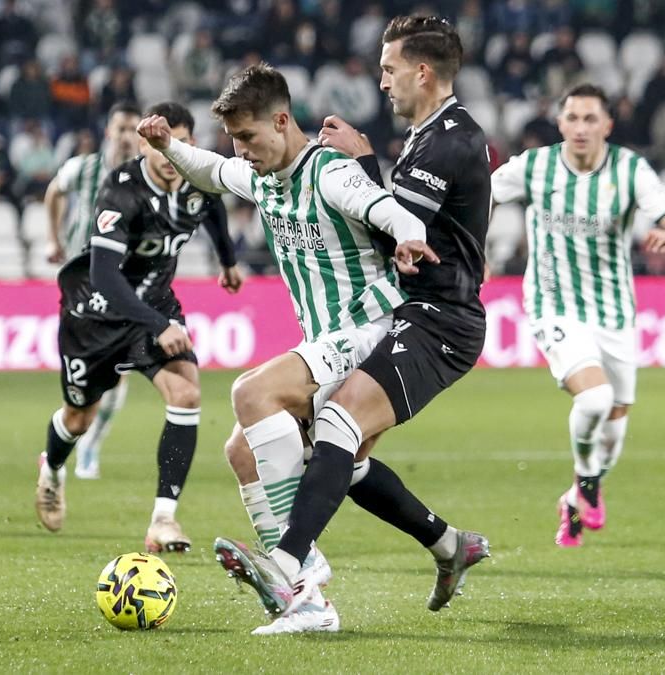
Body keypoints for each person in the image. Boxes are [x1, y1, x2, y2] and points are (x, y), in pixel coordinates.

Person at [139, 62, 451, 635]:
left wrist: (410, 237)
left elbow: (385, 208)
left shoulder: (329, 172)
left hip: (369, 331)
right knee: (242, 452)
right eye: (234, 138)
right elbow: (210, 170)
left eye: (249, 136)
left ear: (282, 121)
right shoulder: (260, 176)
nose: (241, 149)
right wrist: (168, 146)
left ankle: (298, 572)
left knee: (250, 393)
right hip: (325, 340)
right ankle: (312, 591)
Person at [203, 15, 494, 625]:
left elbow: (393, 227)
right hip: (414, 311)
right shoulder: (427, 135)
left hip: (439, 319)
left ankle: (290, 567)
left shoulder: (448, 141)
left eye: (389, 69)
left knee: (336, 425)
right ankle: (449, 545)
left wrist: (360, 164)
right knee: (337, 453)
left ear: (422, 72)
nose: (382, 81)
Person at [491, 83, 665, 547]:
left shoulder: (630, 170)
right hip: (553, 305)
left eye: (590, 119)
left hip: (614, 311)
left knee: (615, 427)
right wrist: (473, 250)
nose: (580, 127)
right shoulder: (534, 167)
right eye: (572, 118)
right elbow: (477, 198)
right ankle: (586, 480)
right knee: (595, 400)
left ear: (607, 125)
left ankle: (575, 497)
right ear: (560, 123)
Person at [34, 102, 243, 555]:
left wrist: (227, 260)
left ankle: (163, 519)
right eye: (163, 144)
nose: (171, 155)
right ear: (146, 144)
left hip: (155, 304)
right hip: (95, 312)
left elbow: (213, 209)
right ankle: (51, 470)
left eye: (181, 144)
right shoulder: (122, 189)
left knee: (186, 394)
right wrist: (157, 324)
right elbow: (104, 275)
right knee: (78, 418)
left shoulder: (198, 178)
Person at [43, 101, 141, 479]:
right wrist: (53, 239)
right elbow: (54, 192)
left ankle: (90, 446)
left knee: (120, 369)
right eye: (121, 129)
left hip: (122, 284)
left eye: (133, 129)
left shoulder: (145, 175)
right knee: (84, 373)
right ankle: (70, 433)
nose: (127, 136)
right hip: (81, 284)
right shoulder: (82, 169)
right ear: (108, 132)